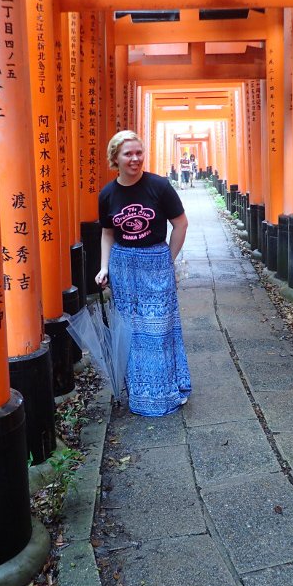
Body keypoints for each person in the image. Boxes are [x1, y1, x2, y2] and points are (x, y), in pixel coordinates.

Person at [95, 131, 192, 416]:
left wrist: (167, 259)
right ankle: (139, 393)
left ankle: (165, 391)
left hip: (154, 261)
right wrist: (104, 267)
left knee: (160, 329)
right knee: (131, 331)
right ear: (116, 158)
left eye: (139, 153)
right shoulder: (107, 194)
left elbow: (181, 224)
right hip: (123, 267)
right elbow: (107, 233)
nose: (135, 159)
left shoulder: (159, 186)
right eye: (128, 154)